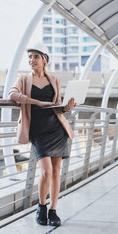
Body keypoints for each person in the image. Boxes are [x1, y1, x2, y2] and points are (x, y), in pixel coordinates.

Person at [8, 42, 76, 226]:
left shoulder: (54, 80)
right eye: (29, 57)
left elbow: (58, 106)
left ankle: (53, 211)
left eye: (36, 56)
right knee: (45, 172)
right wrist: (35, 102)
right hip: (38, 132)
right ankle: (41, 206)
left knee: (55, 171)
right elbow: (12, 94)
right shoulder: (23, 79)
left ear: (44, 60)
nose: (31, 60)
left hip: (56, 129)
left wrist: (67, 108)